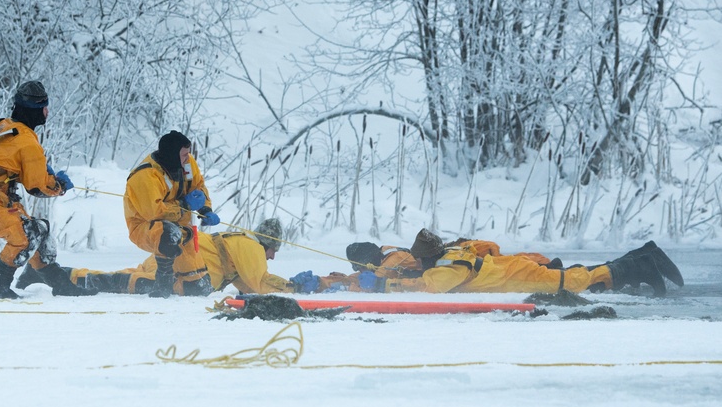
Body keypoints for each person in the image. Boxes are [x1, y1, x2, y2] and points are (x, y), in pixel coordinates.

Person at [0, 80, 96, 299]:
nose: (47, 112)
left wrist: (36, 169)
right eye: (45, 108)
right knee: (24, 236)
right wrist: (58, 185)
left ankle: (59, 283)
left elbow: (7, 161)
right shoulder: (26, 141)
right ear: (36, 110)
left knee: (39, 230)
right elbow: (36, 186)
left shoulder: (5, 126)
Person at [293, 229, 683, 296]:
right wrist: (337, 279)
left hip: (513, 275)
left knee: (576, 282)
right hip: (508, 271)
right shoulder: (435, 255)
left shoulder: (438, 266)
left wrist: (377, 285)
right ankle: (638, 260)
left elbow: (431, 285)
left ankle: (638, 267)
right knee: (576, 275)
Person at [66, 217, 297, 295]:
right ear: (266, 243)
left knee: (134, 275)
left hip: (174, 260)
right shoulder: (252, 248)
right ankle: (75, 278)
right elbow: (260, 284)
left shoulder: (240, 243)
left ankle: (72, 276)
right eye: (273, 250)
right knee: (134, 282)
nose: (272, 257)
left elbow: (247, 284)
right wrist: (294, 287)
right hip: (183, 268)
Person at [121, 130, 220, 297]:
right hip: (146, 228)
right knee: (167, 232)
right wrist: (185, 205)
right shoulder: (146, 175)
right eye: (184, 155)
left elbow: (198, 185)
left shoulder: (187, 163)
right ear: (172, 155)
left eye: (188, 153)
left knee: (197, 287)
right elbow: (155, 212)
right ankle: (161, 283)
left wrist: (205, 208)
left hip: (181, 228)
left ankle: (175, 284)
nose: (188, 158)